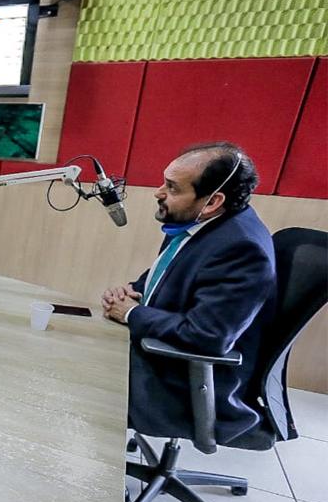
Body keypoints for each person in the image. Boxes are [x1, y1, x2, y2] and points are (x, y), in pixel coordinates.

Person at [101, 143, 277, 446]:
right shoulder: (202, 224)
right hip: (163, 355)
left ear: (212, 201)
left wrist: (131, 313)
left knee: (82, 380)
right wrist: (135, 292)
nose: (158, 192)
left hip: (184, 381)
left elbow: (206, 336)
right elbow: (170, 275)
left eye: (171, 187)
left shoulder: (242, 249)